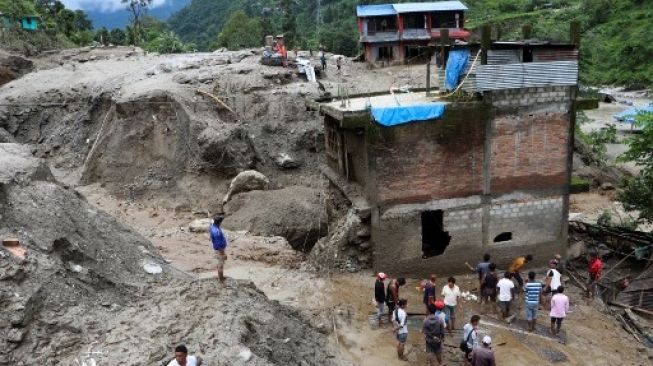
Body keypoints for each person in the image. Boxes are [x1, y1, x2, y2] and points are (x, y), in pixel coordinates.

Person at [209, 214, 228, 282]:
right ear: (219, 222)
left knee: (219, 263)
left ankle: (220, 277)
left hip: (217, 248)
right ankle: (221, 279)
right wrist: (223, 254)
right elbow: (219, 245)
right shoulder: (216, 232)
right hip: (219, 250)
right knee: (221, 265)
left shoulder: (212, 226)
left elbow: (210, 220)